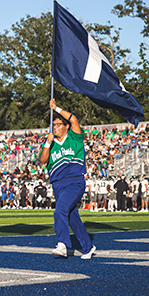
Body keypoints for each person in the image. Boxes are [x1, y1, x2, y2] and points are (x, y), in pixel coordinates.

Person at [40, 99, 96, 259]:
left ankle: (62, 244)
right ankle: (88, 247)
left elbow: (74, 119)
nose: (55, 127)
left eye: (58, 124)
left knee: (60, 211)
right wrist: (47, 143)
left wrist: (56, 108)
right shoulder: (51, 144)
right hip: (58, 185)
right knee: (72, 217)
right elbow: (43, 160)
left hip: (74, 182)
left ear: (66, 127)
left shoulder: (74, 137)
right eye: (53, 125)